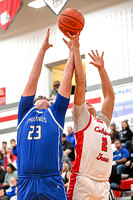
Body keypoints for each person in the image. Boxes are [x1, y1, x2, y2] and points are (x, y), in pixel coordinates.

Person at [17, 28, 74, 200]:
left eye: (46, 99)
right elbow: (32, 79)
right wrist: (42, 50)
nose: (42, 98)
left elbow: (66, 80)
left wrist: (72, 53)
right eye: (39, 97)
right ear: (34, 102)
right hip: (25, 182)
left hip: (51, 180)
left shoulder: (55, 114)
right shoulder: (25, 112)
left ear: (51, 104)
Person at [65, 33, 115, 200]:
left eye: (89, 103)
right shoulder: (82, 118)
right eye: (85, 103)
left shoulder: (102, 123)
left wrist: (101, 69)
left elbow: (109, 97)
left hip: (103, 183)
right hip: (83, 180)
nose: (88, 103)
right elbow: (80, 81)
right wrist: (76, 51)